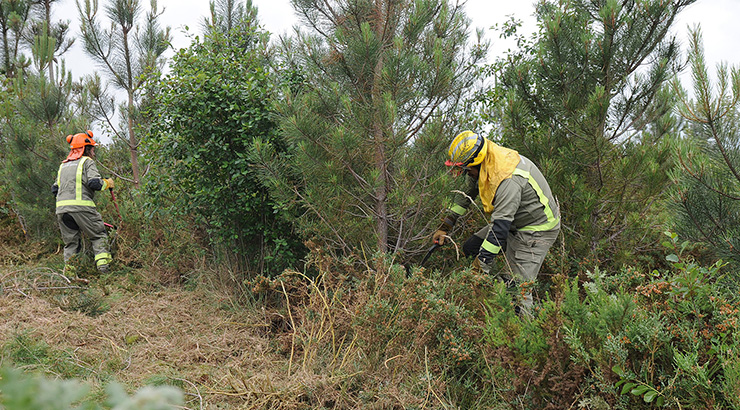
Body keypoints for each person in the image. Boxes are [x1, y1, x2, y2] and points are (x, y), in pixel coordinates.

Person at [433, 130, 560, 316]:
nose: (464, 175)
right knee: (471, 248)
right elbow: (467, 195)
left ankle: (525, 334)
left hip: (536, 229)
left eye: (466, 170)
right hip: (514, 220)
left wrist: (480, 267)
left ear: (476, 162)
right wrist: (445, 226)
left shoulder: (507, 179)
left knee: (517, 291)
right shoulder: (488, 160)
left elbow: (499, 231)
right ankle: (497, 288)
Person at [52, 130, 114, 273]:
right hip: (82, 208)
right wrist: (108, 183)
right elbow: (94, 184)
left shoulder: (63, 165)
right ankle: (104, 269)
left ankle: (70, 275)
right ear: (86, 149)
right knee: (98, 235)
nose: (94, 152)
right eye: (92, 149)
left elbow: (55, 189)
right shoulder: (87, 162)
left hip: (62, 210)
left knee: (71, 243)